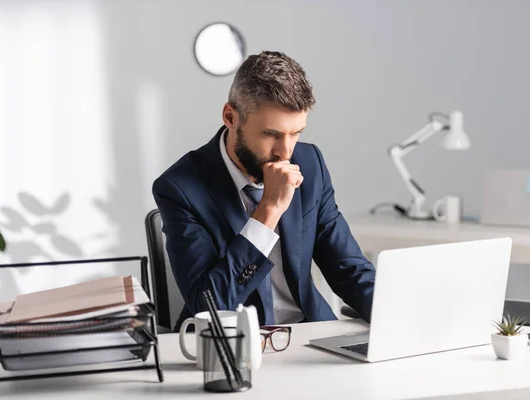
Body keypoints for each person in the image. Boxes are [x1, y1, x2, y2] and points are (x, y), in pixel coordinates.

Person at [153, 50, 375, 330]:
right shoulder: (180, 188)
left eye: (296, 133)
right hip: (233, 346)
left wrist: (397, 316)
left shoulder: (310, 163)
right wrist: (269, 210)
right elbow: (211, 304)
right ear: (230, 117)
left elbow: (349, 268)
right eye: (271, 134)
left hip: (308, 335)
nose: (286, 152)